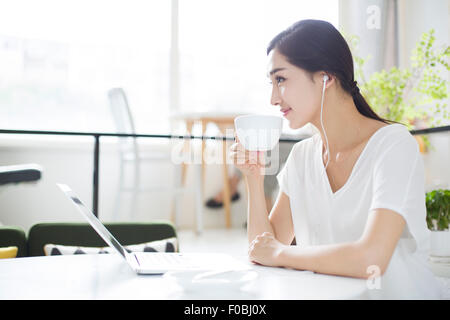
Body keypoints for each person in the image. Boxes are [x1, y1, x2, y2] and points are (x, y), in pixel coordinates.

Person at [229, 19, 443, 299]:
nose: (272, 98)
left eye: (280, 79)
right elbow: (262, 249)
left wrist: (283, 253)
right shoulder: (302, 156)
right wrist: (253, 178)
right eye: (271, 83)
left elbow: (371, 259)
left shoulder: (393, 145)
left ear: (325, 77)